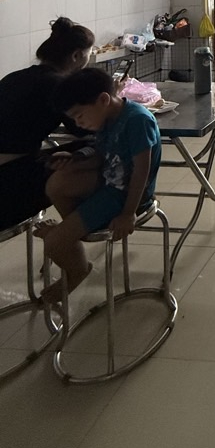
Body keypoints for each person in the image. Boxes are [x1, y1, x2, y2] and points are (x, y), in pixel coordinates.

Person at [37, 67, 162, 302]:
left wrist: (128, 213)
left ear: (103, 99)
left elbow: (141, 172)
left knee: (53, 243)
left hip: (124, 195)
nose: (78, 122)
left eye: (79, 115)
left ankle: (77, 269)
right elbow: (102, 156)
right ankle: (72, 232)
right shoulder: (106, 117)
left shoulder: (137, 120)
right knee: (56, 183)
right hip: (108, 181)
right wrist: (74, 159)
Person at [0, 17, 94, 230]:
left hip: (10, 171)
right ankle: (80, 227)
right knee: (96, 149)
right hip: (10, 185)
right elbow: (83, 128)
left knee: (67, 154)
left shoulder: (13, 78)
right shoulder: (58, 85)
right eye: (89, 54)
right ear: (76, 56)